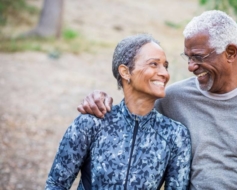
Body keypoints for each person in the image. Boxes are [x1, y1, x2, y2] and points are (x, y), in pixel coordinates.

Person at [77, 10, 237, 189]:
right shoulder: (174, 98)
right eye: (188, 57)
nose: (190, 67)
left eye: (199, 57)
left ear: (231, 53)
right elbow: (131, 118)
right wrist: (100, 99)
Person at [45, 34, 192, 190]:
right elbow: (56, 184)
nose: (164, 73)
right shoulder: (93, 123)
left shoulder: (175, 135)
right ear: (125, 71)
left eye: (165, 66)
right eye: (154, 64)